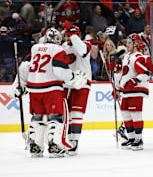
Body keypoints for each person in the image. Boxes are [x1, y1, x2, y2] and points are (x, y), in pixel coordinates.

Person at [7, 28, 87, 158]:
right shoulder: (57, 49)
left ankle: (35, 146)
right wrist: (73, 78)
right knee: (55, 118)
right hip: (51, 89)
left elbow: (23, 67)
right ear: (56, 38)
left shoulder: (35, 48)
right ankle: (55, 146)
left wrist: (19, 85)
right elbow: (60, 71)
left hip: (34, 89)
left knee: (37, 118)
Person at [61, 21, 92, 155]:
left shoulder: (85, 45)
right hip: (66, 85)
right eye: (67, 35)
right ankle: (64, 140)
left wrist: (73, 34)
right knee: (63, 115)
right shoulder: (62, 47)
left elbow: (82, 51)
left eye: (71, 35)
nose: (68, 38)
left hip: (82, 84)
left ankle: (74, 142)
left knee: (76, 114)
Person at [115, 33, 150, 151]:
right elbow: (124, 74)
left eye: (130, 43)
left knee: (136, 115)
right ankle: (131, 138)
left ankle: (139, 139)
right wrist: (118, 88)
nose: (127, 45)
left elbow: (145, 73)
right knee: (125, 114)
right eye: (127, 42)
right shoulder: (126, 56)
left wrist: (134, 81)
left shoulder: (139, 57)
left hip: (136, 90)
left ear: (136, 44)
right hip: (126, 91)